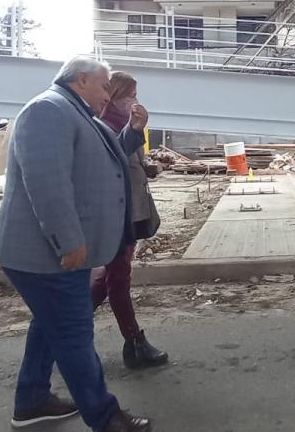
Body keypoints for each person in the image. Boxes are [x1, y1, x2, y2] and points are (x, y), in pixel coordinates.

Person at [0, 56, 152, 432]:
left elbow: (108, 156)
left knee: (50, 326)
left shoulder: (76, 113)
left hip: (53, 251)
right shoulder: (48, 110)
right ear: (82, 81)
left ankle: (31, 402)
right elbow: (46, 183)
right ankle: (105, 417)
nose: (109, 95)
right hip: (47, 252)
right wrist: (68, 241)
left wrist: (134, 129)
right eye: (105, 86)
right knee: (74, 334)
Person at [93, 72, 167, 369]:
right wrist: (135, 129)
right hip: (117, 213)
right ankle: (134, 342)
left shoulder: (123, 124)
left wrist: (146, 167)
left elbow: (129, 159)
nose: (135, 101)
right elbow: (111, 156)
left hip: (129, 210)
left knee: (111, 276)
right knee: (118, 276)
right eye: (130, 96)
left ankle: (67, 333)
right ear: (114, 96)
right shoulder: (103, 124)